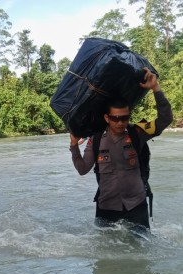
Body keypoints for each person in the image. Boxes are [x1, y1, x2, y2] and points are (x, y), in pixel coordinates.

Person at [69, 67, 173, 231]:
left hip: (136, 206)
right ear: (106, 118)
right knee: (105, 253)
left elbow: (165, 119)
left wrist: (155, 88)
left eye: (124, 118)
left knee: (141, 251)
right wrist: (74, 146)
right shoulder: (95, 141)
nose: (120, 122)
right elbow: (82, 169)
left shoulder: (137, 133)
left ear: (129, 115)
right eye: (115, 118)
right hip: (106, 208)